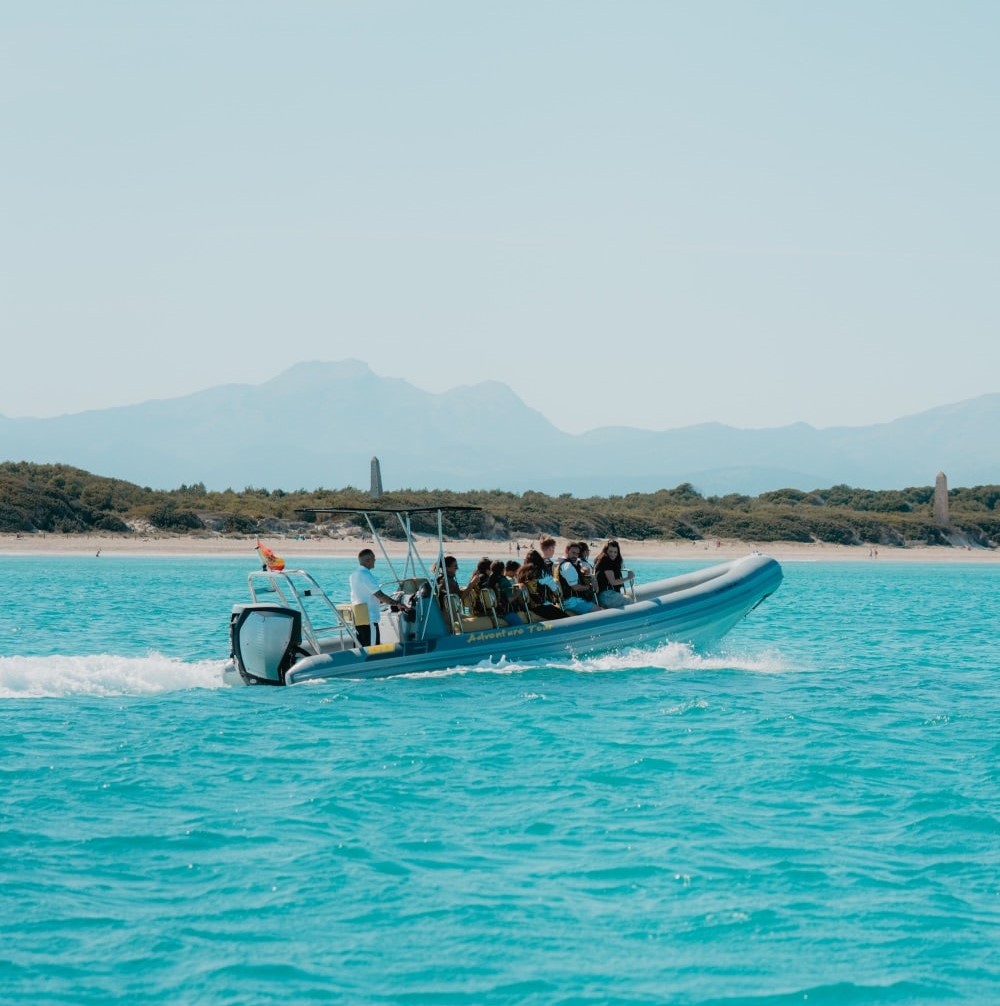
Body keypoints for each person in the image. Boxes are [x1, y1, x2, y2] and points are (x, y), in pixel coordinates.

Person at [349, 548, 409, 647]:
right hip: (369, 620)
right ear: (367, 560)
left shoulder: (354, 575)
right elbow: (379, 595)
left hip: (359, 619)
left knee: (361, 648)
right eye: (373, 559)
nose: (375, 561)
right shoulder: (365, 575)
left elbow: (363, 595)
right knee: (372, 650)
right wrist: (397, 603)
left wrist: (380, 601)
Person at [515, 549, 568, 620]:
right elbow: (557, 592)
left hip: (527, 607)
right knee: (565, 618)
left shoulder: (520, 572)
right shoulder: (543, 572)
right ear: (539, 559)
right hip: (542, 607)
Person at [555, 542, 598, 614]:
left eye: (577, 554)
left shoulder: (558, 562)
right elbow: (575, 587)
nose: (575, 556)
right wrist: (590, 587)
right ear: (566, 551)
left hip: (565, 600)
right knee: (600, 611)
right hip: (572, 602)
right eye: (573, 553)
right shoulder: (568, 566)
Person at [593, 539, 633, 609]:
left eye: (615, 552)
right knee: (631, 604)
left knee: (629, 599)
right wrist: (628, 578)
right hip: (606, 596)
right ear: (606, 551)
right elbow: (613, 582)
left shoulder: (603, 561)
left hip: (603, 596)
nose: (613, 554)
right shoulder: (606, 562)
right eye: (610, 551)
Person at [489, 559, 525, 625]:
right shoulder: (504, 581)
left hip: (493, 611)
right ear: (503, 569)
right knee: (520, 624)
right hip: (504, 612)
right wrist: (520, 590)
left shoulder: (489, 580)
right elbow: (509, 599)